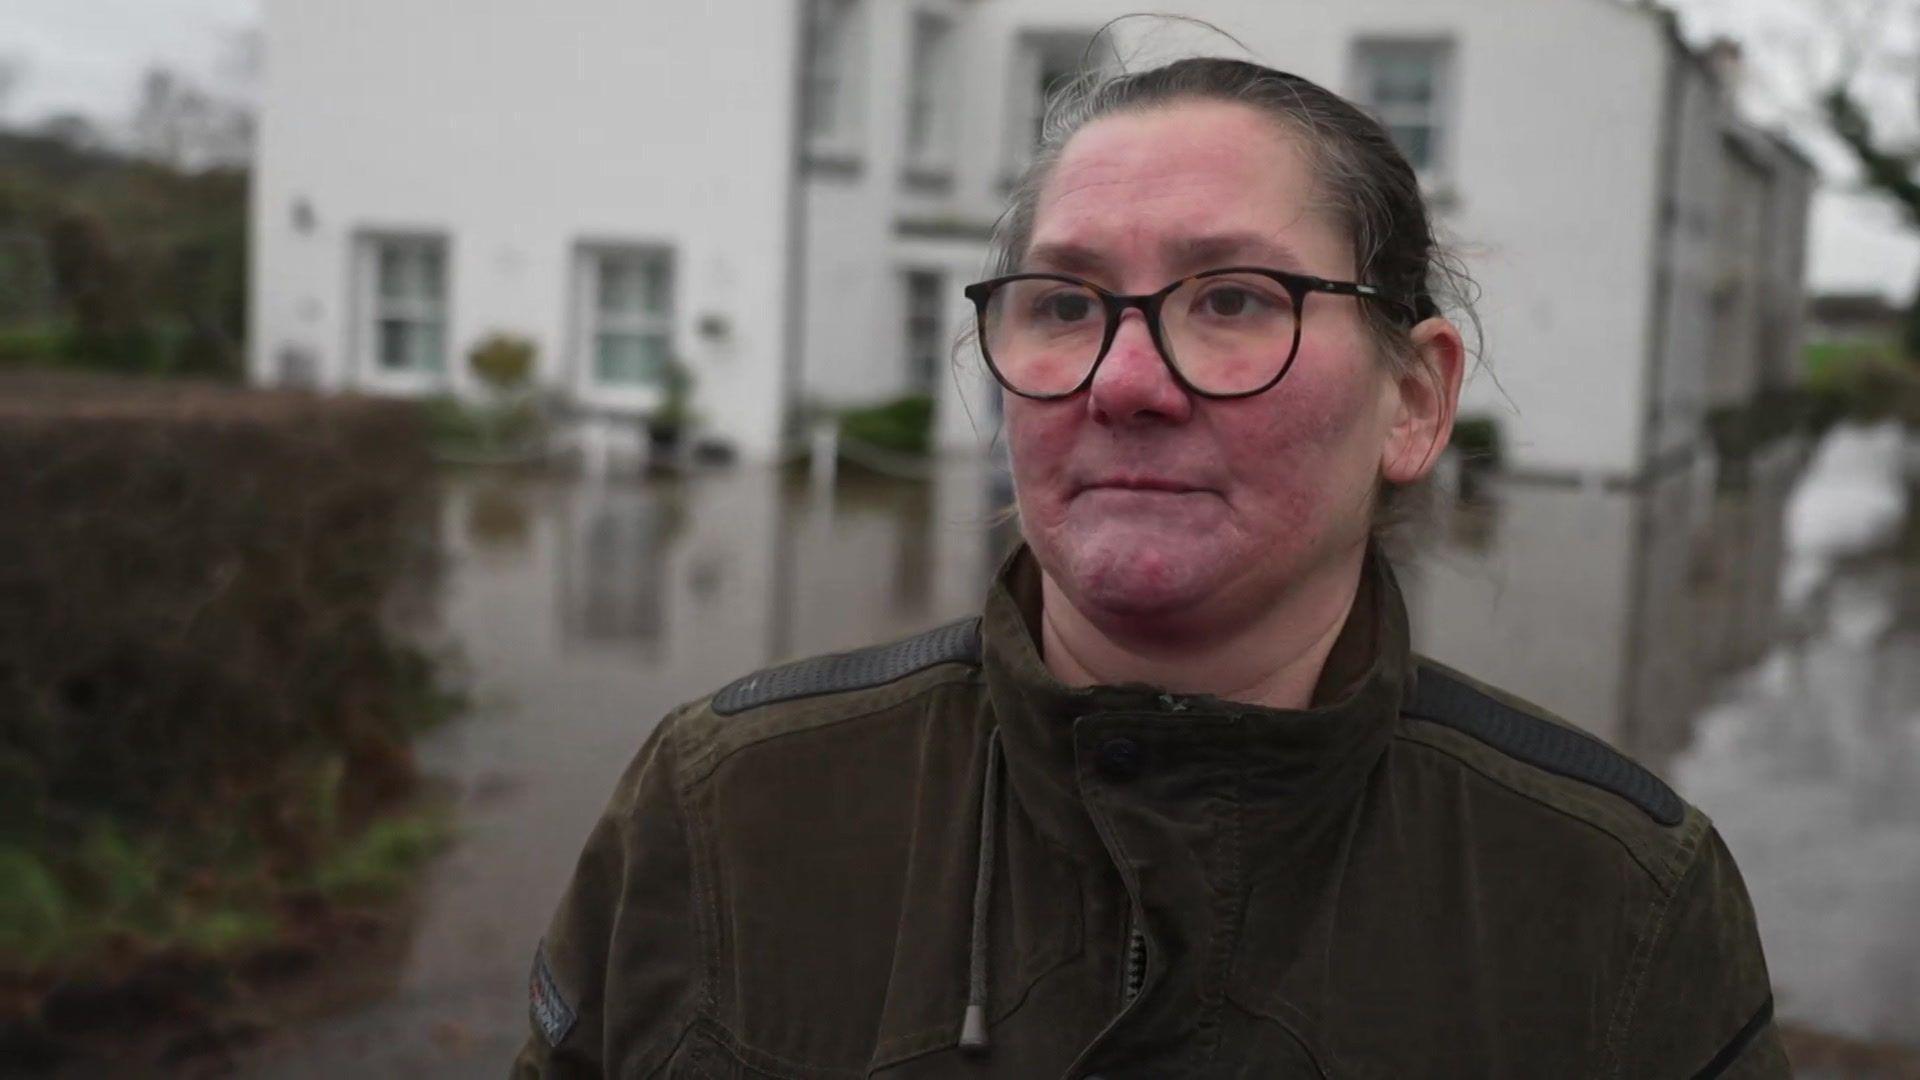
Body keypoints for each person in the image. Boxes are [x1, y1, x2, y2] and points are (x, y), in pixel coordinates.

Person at [514, 57, 1785, 1078]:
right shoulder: (731, 805)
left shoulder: (1615, 898)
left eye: (1232, 300)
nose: (1124, 381)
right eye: (1063, 304)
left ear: (1414, 397)